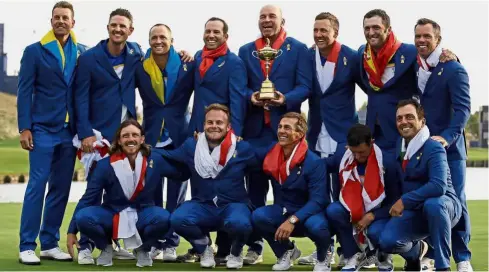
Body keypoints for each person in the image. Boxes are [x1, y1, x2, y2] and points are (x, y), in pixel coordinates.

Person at [237, 5, 313, 264]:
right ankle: (255, 246)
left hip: (286, 134)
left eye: (272, 17)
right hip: (255, 132)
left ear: (283, 20)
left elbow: (305, 86)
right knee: (255, 192)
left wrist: (285, 99)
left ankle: (286, 248)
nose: (267, 21)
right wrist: (252, 96)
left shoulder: (299, 49)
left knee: (284, 196)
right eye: (263, 17)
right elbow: (241, 87)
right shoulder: (246, 50)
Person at [171, 17, 248, 263]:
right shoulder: (197, 57)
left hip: (222, 134)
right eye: (207, 31)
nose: (211, 35)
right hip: (198, 132)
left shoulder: (234, 62)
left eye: (216, 31)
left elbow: (237, 99)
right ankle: (201, 246)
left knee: (224, 190)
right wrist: (183, 56)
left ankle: (225, 249)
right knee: (200, 189)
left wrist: (233, 133)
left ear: (226, 36)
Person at [16, 1, 88, 265]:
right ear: (51, 21)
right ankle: (27, 245)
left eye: (65, 17)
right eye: (56, 17)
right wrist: (25, 127)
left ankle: (48, 243)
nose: (61, 21)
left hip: (70, 132)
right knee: (37, 186)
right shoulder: (34, 52)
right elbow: (24, 91)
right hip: (43, 129)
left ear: (73, 22)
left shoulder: (82, 51)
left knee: (60, 189)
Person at [66, 119, 189, 267]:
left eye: (135, 135)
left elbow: (181, 174)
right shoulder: (105, 165)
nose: (131, 139)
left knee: (164, 218)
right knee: (83, 217)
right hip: (113, 213)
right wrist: (71, 231)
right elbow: (88, 198)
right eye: (126, 136)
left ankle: (143, 249)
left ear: (142, 139)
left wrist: (197, 159)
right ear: (119, 140)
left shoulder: (154, 159)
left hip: (143, 213)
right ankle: (106, 248)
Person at [159, 104, 256, 269]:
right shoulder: (191, 146)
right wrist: (142, 150)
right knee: (178, 218)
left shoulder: (242, 147)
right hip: (203, 205)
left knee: (240, 222)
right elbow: (168, 156)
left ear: (228, 126)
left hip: (234, 205)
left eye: (219, 122)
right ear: (204, 125)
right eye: (210, 122)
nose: (214, 126)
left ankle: (236, 253)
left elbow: (263, 165)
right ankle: (205, 249)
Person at [413, 18, 472, 272]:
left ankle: (462, 258)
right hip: (421, 150)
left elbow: (463, 110)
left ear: (438, 39)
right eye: (418, 36)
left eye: (427, 36)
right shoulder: (412, 65)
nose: (422, 40)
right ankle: (430, 253)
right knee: (426, 201)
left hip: (451, 150)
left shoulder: (454, 69)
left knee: (455, 201)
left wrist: (447, 138)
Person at [301, 12, 359, 267]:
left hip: (343, 137)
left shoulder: (351, 56)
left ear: (335, 32)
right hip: (315, 134)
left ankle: (351, 250)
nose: (318, 35)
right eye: (315, 30)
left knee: (344, 200)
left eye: (323, 30)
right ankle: (323, 250)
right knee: (317, 195)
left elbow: (375, 86)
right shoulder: (306, 54)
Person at [376, 99, 461, 271]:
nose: (404, 122)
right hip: (415, 210)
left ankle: (443, 265)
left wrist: (404, 201)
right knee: (387, 241)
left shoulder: (433, 147)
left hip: (444, 207)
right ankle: (417, 251)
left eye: (409, 117)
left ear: (422, 121)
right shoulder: (398, 149)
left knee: (434, 204)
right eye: (399, 118)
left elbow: (438, 186)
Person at [136, 23, 195, 262]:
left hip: (179, 135)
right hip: (151, 136)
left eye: (163, 37)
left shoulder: (187, 64)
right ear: (148, 40)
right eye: (154, 37)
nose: (158, 41)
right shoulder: (140, 66)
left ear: (172, 40)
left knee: (176, 196)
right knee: (151, 194)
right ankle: (154, 242)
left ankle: (171, 243)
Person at [252, 112, 332, 271]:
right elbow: (248, 153)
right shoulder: (272, 152)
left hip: (309, 214)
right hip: (284, 210)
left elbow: (319, 201)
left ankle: (324, 256)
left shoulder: (314, 162)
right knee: (258, 216)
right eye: (280, 126)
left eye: (287, 128)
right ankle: (286, 252)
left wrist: (293, 220)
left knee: (318, 226)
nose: (281, 131)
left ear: (300, 134)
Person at [325, 124, 401, 272]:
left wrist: (373, 215)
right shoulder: (343, 157)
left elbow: (395, 202)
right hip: (353, 211)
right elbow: (320, 166)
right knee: (334, 210)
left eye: (362, 152)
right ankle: (353, 254)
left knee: (375, 232)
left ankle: (383, 256)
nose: (358, 157)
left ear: (371, 143)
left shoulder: (388, 162)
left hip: (380, 214)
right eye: (354, 152)